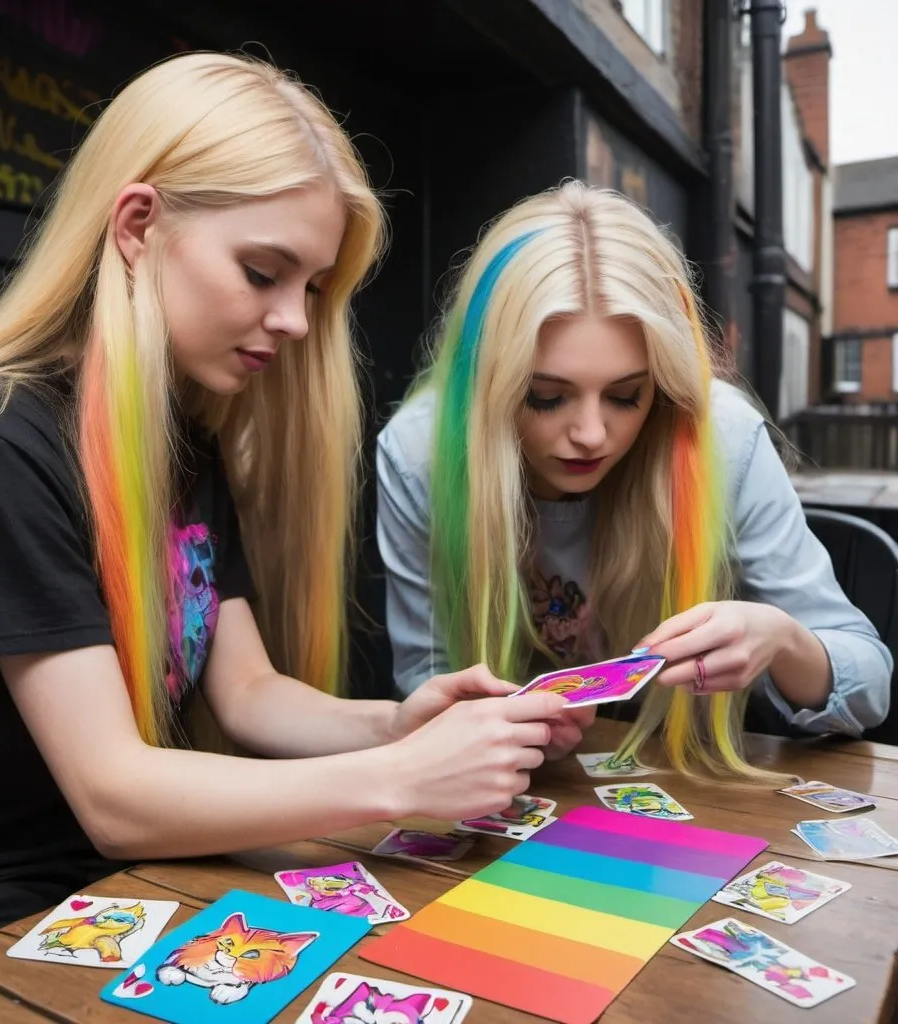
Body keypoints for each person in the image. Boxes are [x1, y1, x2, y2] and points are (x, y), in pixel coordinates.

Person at [0, 53, 569, 1002]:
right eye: (262, 271)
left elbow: (246, 693)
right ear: (137, 226)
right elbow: (115, 794)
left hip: (132, 884)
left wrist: (401, 721)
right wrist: (401, 778)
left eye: (314, 287)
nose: (292, 321)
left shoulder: (186, 446)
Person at [376, 181, 892, 780]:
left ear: (664, 385)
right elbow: (426, 691)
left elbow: (868, 688)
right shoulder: (421, 452)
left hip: (696, 787)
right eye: (545, 397)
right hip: (516, 798)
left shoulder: (720, 436)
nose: (591, 433)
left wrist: (781, 639)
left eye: (626, 395)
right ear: (486, 386)